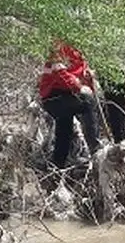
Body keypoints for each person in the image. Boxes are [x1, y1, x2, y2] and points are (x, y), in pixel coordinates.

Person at [37, 40, 101, 168]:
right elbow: (60, 73)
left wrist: (87, 83)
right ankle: (95, 148)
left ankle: (58, 164)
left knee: (64, 129)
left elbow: (81, 75)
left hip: (64, 96)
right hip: (55, 96)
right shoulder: (60, 47)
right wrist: (79, 87)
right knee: (88, 103)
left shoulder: (78, 51)